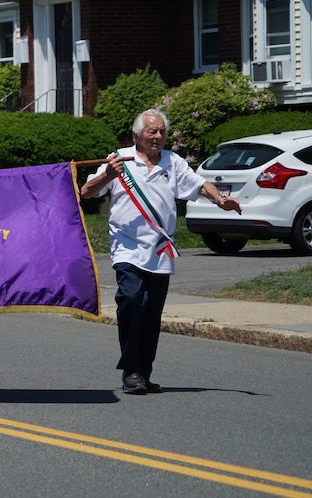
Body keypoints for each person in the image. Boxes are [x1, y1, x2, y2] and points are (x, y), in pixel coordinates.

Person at [80, 109, 242, 395]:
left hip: (159, 249)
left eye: (162, 132)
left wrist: (220, 199)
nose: (157, 137)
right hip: (126, 247)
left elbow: (199, 185)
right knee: (131, 301)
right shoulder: (118, 159)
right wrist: (107, 174)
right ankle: (130, 371)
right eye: (151, 132)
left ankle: (144, 372)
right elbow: (86, 192)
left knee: (151, 314)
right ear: (136, 136)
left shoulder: (173, 162)